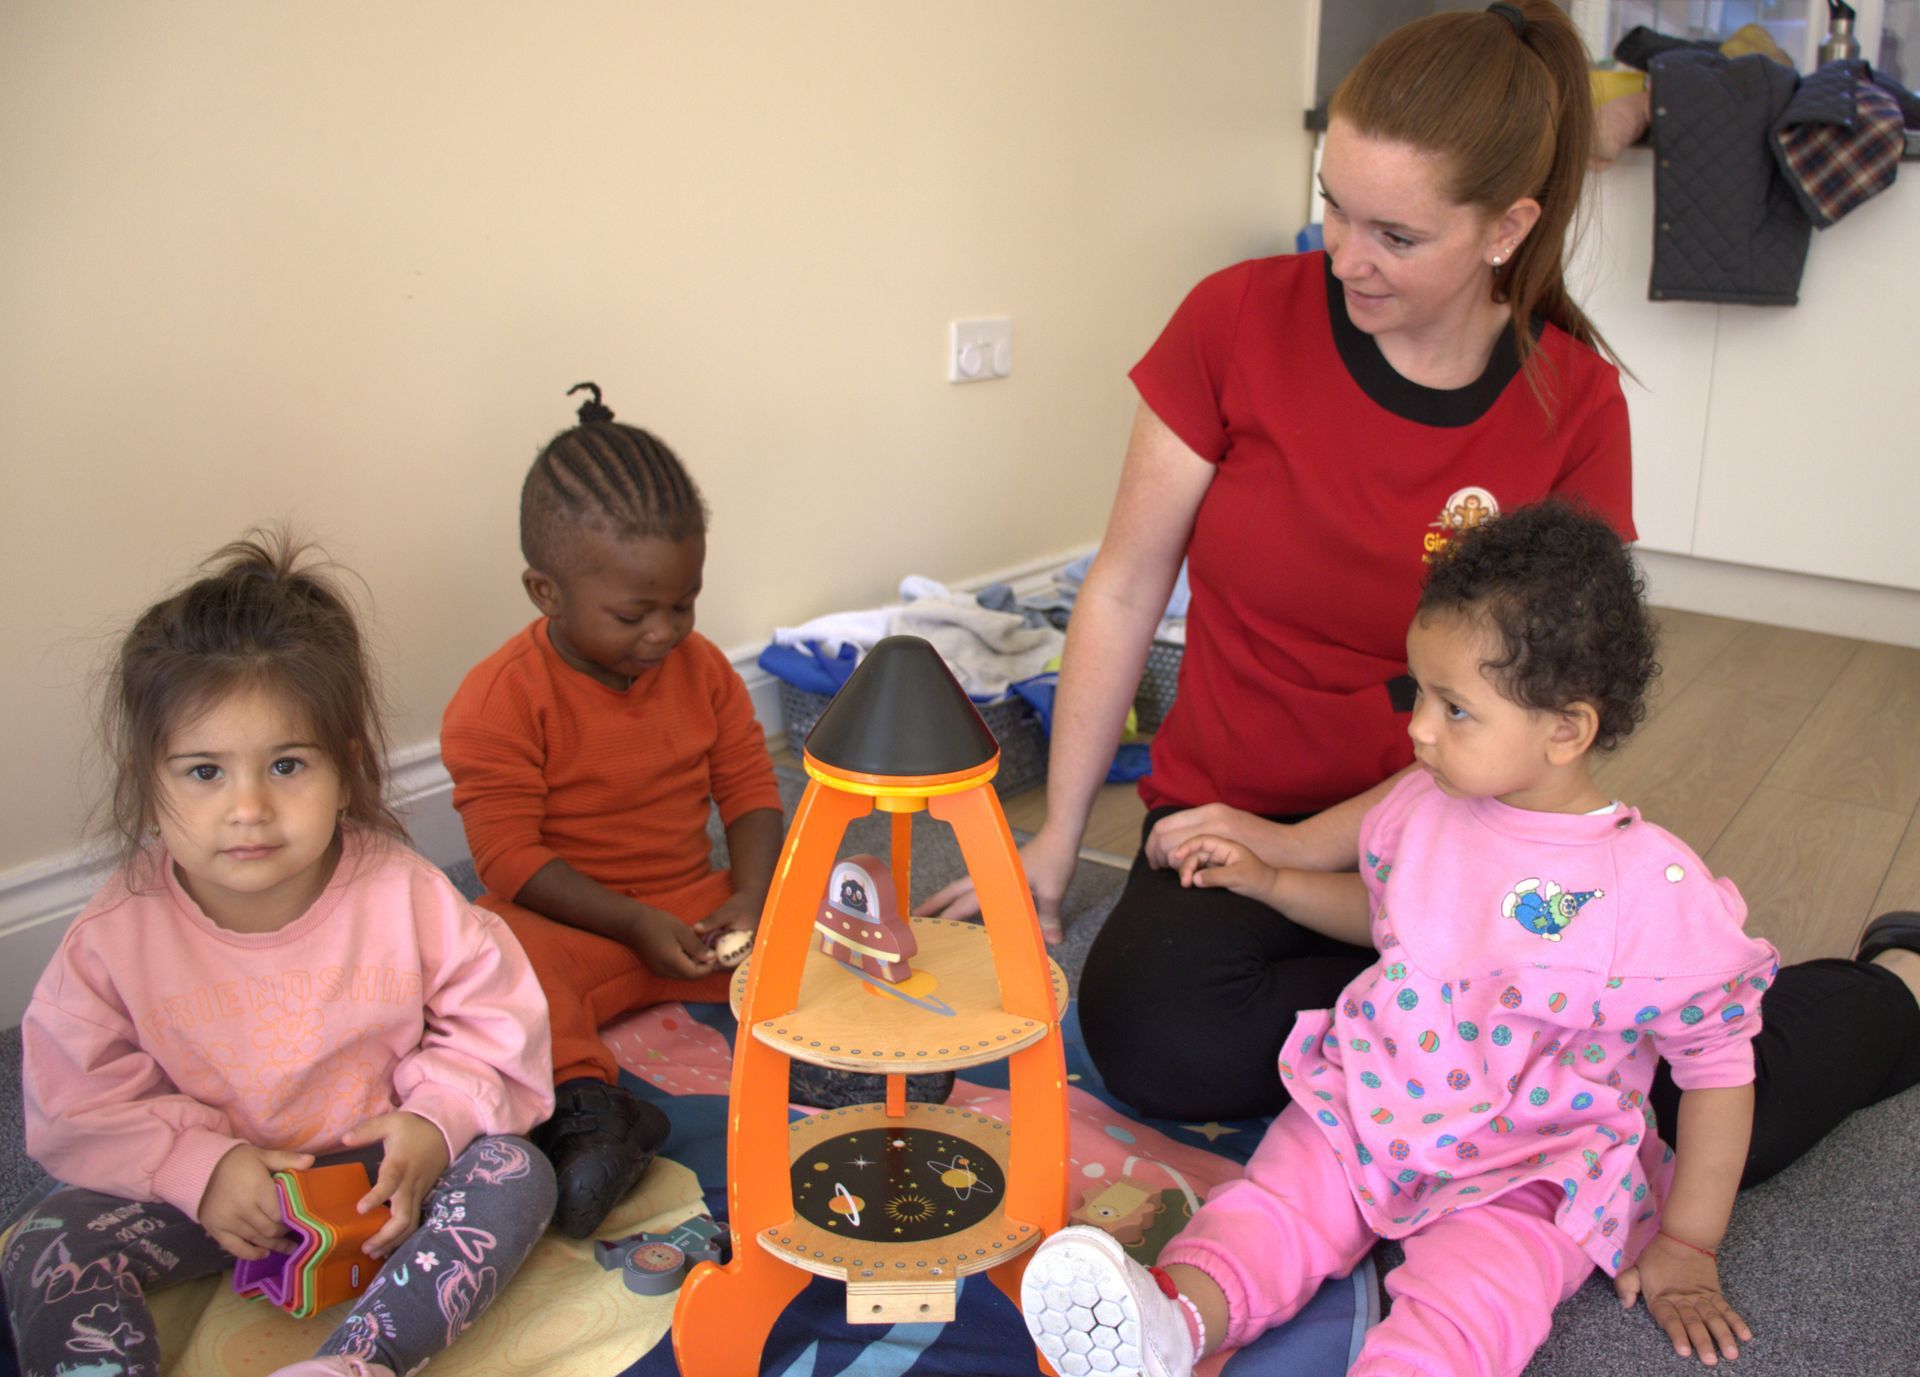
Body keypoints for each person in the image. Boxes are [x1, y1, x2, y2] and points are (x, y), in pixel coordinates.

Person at [926, 0, 1920, 1180]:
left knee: (1654, 1108)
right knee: (1157, 1039)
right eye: (1332, 203)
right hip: (1229, 820)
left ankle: (1886, 991)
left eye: (1395, 234)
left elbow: (1548, 715)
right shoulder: (1234, 320)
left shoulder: (1573, 404)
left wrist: (1320, 855)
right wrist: (1049, 843)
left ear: (1507, 227)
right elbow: (1127, 588)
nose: (1346, 254)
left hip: (1472, 839)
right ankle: (1455, 1049)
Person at [1022, 502, 1774, 1375]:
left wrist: (1689, 1238)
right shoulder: (1423, 801)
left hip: (1530, 1164)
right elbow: (1396, 924)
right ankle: (1176, 1320)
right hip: (1373, 1099)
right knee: (1271, 1205)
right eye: (1419, 691)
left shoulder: (1651, 888)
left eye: (1456, 708)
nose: (1417, 727)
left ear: (1567, 729)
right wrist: (1273, 882)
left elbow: (1719, 1066)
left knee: (1473, 1301)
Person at [7, 535, 556, 1377]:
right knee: (45, 1236)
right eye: (203, 772)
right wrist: (199, 1166)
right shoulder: (119, 933)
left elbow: (498, 1023)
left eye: (287, 764)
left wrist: (433, 1126)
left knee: (519, 1172)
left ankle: (359, 1358)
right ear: (146, 778)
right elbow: (77, 1101)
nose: (249, 808)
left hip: (384, 1185)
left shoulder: (404, 892)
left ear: (349, 768)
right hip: (215, 1198)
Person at [440, 383, 787, 1238]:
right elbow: (508, 859)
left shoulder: (702, 668)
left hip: (698, 917)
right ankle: (586, 1115)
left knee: (832, 894)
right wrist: (631, 922)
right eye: (635, 613)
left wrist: (747, 895)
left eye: (684, 601)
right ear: (544, 591)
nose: (666, 631)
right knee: (488, 954)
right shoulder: (498, 700)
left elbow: (749, 785)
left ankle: (833, 1053)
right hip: (581, 927)